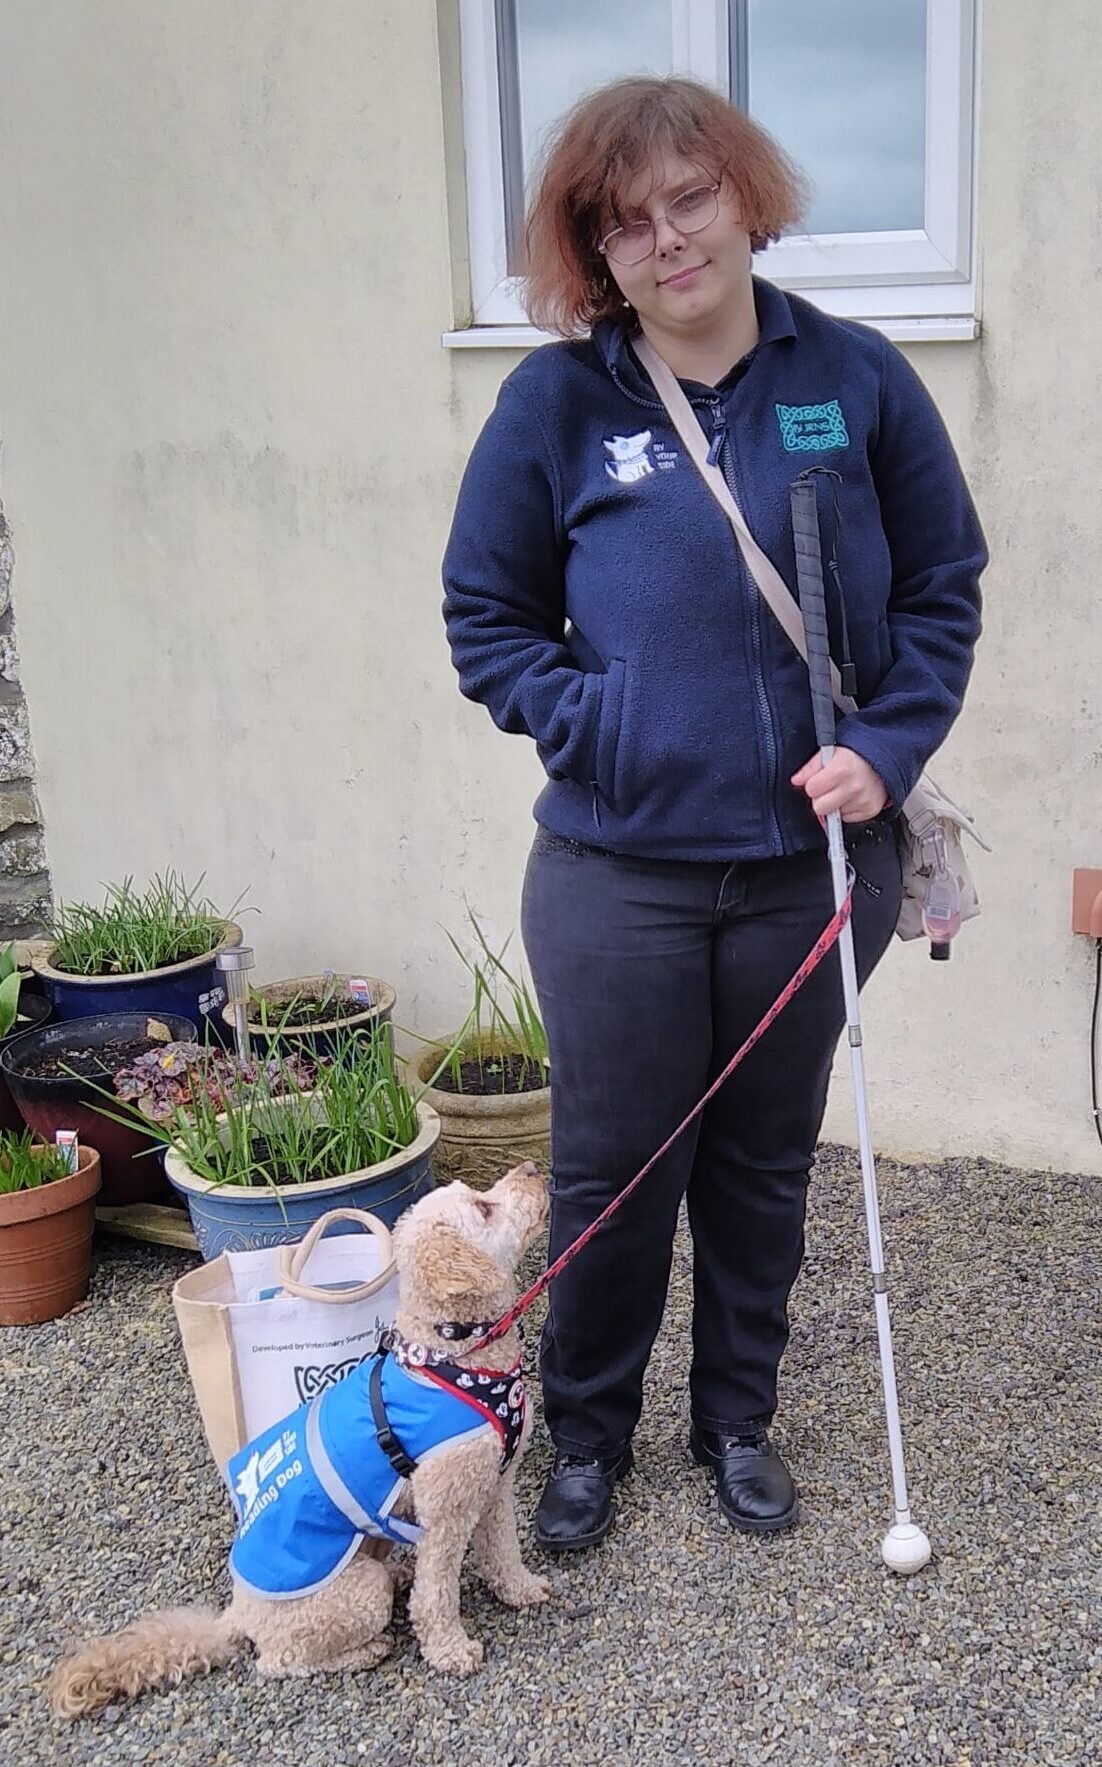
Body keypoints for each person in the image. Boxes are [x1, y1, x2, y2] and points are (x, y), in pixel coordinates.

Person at [442, 76, 985, 1553]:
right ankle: (588, 1438)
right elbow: (486, 620)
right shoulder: (556, 402)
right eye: (626, 224)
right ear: (595, 257)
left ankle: (733, 1419)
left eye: (689, 199)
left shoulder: (855, 378)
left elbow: (941, 589)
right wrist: (597, 722)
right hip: (617, 868)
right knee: (615, 1162)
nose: (666, 239)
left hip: (813, 862)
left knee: (759, 1153)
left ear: (742, 198)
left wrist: (883, 745)